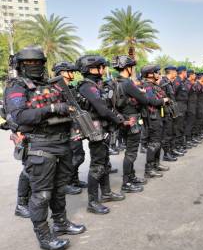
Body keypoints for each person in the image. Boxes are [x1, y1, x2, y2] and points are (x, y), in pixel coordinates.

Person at [4, 46, 86, 250]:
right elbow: (20, 116)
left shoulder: (53, 85)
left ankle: (61, 222)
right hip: (40, 145)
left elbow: (70, 109)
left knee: (59, 189)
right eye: (28, 63)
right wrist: (51, 108)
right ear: (20, 66)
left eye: (38, 62)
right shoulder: (17, 87)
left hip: (62, 142)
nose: (34, 66)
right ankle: (44, 235)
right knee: (42, 194)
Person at [77, 55, 125, 215]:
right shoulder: (86, 86)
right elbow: (102, 109)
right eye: (101, 67)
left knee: (104, 163)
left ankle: (106, 193)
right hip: (95, 130)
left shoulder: (94, 85)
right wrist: (118, 119)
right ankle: (92, 202)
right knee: (97, 165)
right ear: (92, 69)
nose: (104, 70)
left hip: (103, 129)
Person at [112, 55, 151, 193]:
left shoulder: (116, 81)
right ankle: (126, 183)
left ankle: (131, 177)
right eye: (132, 67)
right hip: (132, 120)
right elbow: (144, 100)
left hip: (123, 119)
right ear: (127, 68)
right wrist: (141, 92)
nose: (133, 70)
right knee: (131, 153)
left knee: (130, 151)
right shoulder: (127, 83)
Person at [52, 61, 87, 196]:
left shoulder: (70, 88)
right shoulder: (55, 89)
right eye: (70, 71)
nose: (72, 74)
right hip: (64, 128)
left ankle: (73, 179)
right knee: (72, 157)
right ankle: (65, 183)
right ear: (62, 73)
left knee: (78, 155)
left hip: (75, 125)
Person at [140, 65, 170, 177]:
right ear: (150, 74)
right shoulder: (147, 86)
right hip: (152, 118)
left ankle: (156, 164)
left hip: (157, 116)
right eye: (157, 72)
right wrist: (164, 100)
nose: (159, 74)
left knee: (158, 142)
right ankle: (149, 169)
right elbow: (152, 101)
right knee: (154, 143)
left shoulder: (154, 85)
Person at [173, 66, 189, 153]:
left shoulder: (182, 82)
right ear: (183, 72)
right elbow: (173, 95)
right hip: (178, 107)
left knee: (181, 126)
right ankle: (177, 146)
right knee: (178, 127)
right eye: (186, 72)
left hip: (183, 106)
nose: (186, 74)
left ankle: (180, 144)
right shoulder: (177, 81)